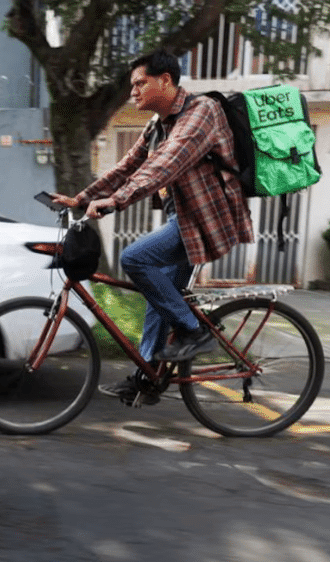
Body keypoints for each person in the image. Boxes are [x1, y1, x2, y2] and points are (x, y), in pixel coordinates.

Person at [49, 49, 254, 404]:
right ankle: (146, 380)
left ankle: (193, 333)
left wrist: (115, 201)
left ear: (166, 80)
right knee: (159, 301)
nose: (134, 92)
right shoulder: (159, 125)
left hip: (207, 221)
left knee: (135, 259)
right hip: (184, 221)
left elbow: (163, 167)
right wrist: (82, 198)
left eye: (140, 83)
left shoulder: (201, 112)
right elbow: (128, 167)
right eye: (132, 85)